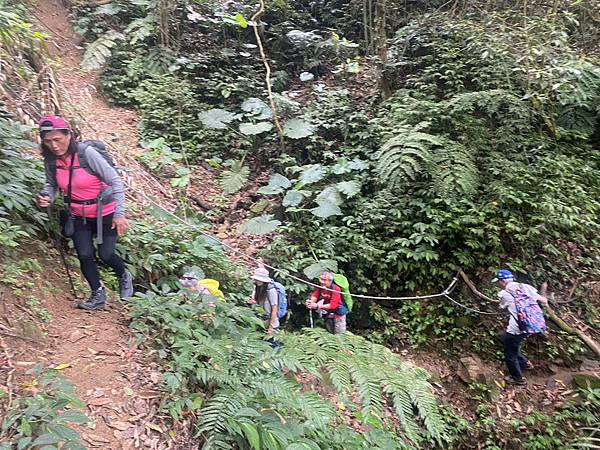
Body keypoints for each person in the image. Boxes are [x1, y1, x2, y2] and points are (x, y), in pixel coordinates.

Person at [36, 115, 133, 311]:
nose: (53, 145)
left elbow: (115, 180)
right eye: (48, 141)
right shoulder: (51, 160)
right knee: (84, 254)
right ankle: (97, 295)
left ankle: (124, 276)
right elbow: (52, 184)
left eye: (57, 139)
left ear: (68, 135)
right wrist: (47, 195)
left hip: (104, 212)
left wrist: (119, 214)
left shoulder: (86, 154)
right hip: (77, 213)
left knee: (106, 254)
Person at [493, 269, 548, 386]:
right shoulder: (526, 287)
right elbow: (543, 300)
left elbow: (501, 307)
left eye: (498, 282)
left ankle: (518, 379)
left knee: (510, 356)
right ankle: (525, 363)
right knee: (504, 339)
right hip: (532, 325)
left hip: (517, 329)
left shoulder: (504, 294)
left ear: (502, 281)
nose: (498, 284)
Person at [247, 267, 279, 335]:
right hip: (261, 321)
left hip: (271, 322)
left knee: (274, 344)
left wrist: (271, 327)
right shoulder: (257, 288)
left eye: (259, 279)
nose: (257, 280)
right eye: (256, 279)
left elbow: (274, 308)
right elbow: (258, 302)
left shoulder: (271, 290)